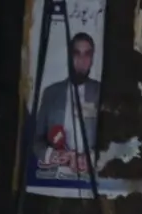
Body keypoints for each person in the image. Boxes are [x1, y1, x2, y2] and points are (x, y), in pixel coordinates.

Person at [33, 31, 101, 172]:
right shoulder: (51, 93)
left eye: (87, 54)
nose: (81, 61)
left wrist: (91, 158)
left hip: (91, 179)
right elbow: (36, 139)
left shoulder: (101, 93)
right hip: (56, 176)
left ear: (92, 59)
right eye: (77, 53)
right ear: (69, 56)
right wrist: (52, 155)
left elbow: (112, 142)